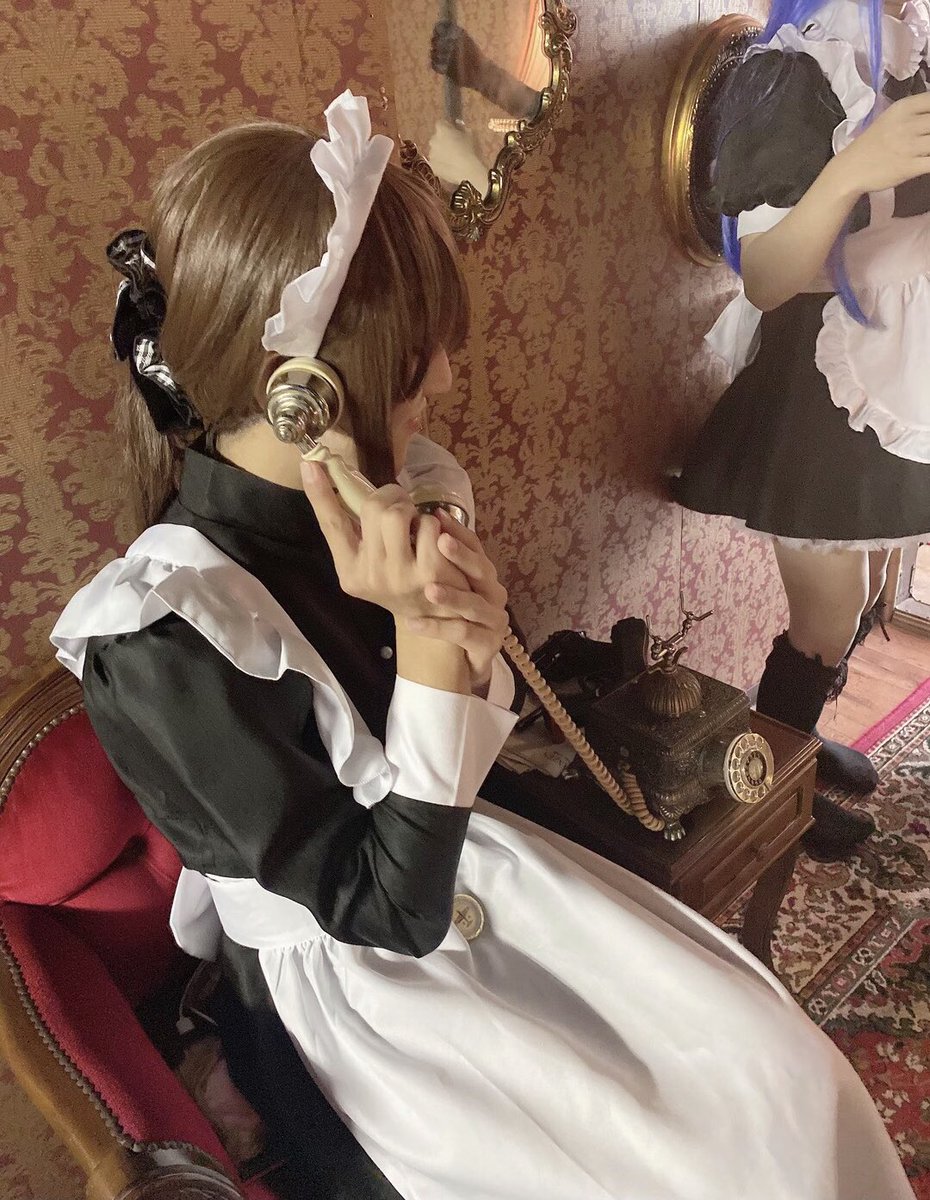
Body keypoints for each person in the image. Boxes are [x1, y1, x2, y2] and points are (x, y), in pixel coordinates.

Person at [52, 92, 913, 1200]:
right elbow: (389, 913)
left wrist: (453, 619)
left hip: (480, 863)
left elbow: (484, 729)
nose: (447, 382)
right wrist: (426, 643)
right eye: (417, 359)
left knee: (786, 1084)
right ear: (302, 395)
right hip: (369, 991)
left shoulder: (390, 498)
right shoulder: (163, 639)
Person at [674, 0, 930, 861]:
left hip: (905, 367)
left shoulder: (914, 48)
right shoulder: (791, 73)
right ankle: (768, 787)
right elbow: (766, 277)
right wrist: (853, 168)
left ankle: (800, 748)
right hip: (826, 387)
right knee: (826, 613)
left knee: (865, 587)